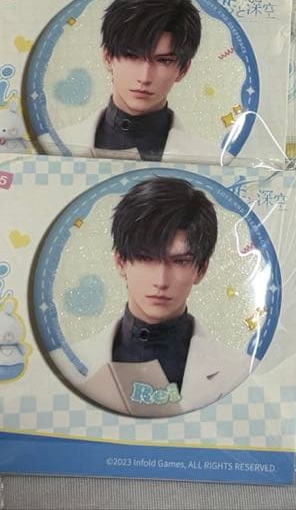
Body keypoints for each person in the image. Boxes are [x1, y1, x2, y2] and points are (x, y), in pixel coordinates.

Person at [69, 177, 251, 416]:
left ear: (201, 269)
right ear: (120, 261)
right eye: (146, 258)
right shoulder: (70, 362)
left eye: (180, 261)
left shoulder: (241, 373)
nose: (161, 281)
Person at [35, 0, 221, 162]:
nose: (144, 77)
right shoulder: (53, 145)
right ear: (108, 57)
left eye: (164, 60)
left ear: (183, 69)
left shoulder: (213, 157)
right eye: (132, 56)